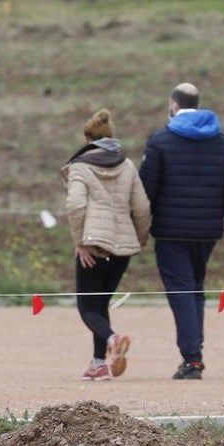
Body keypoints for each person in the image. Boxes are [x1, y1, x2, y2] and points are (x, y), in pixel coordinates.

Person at [139, 83, 224, 380]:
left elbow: (146, 191)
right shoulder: (221, 141)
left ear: (173, 104)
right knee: (196, 289)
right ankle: (194, 351)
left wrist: (139, 228)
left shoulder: (160, 140)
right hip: (208, 231)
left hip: (170, 231)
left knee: (182, 291)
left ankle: (192, 358)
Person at [61, 108, 151, 381]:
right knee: (101, 305)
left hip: (93, 245)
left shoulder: (80, 166)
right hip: (122, 248)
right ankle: (99, 363)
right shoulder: (127, 165)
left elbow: (76, 205)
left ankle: (113, 340)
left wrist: (80, 242)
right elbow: (142, 207)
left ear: (86, 138)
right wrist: (139, 239)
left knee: (88, 308)